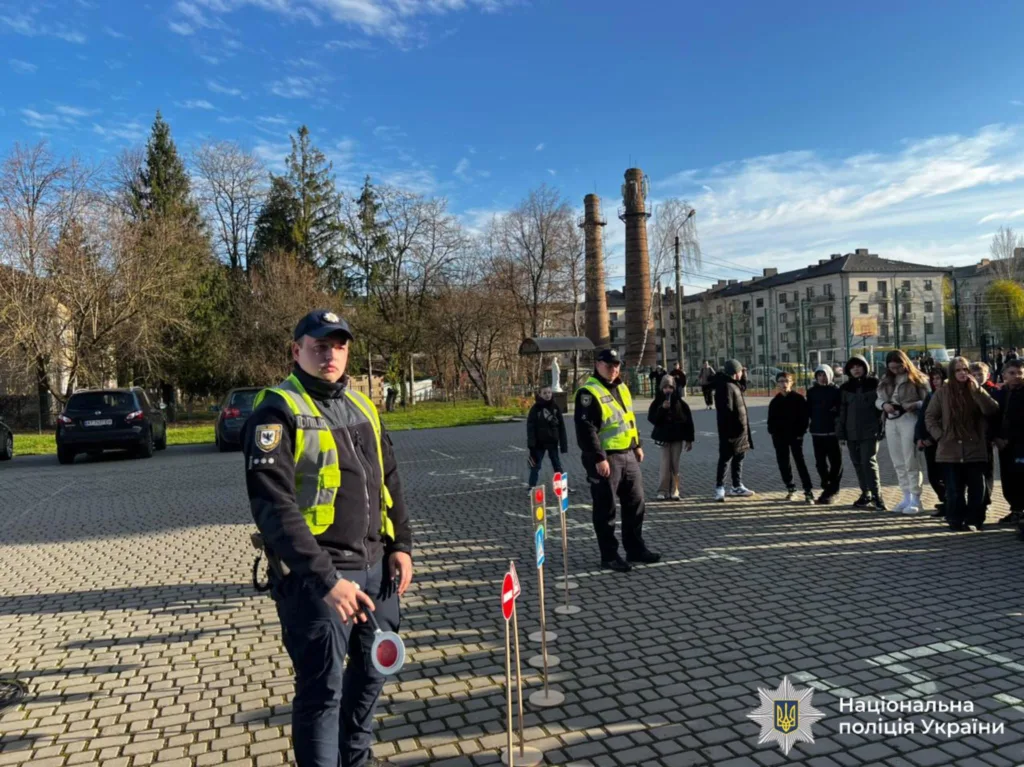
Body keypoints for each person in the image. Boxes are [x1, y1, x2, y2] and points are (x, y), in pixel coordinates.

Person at [243, 309, 412, 767]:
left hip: (377, 570)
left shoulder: (362, 405)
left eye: (338, 345)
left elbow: (389, 478)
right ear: (297, 351)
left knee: (375, 669)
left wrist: (402, 546)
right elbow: (273, 508)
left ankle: (354, 757)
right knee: (322, 693)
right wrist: (325, 579)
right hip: (319, 582)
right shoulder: (276, 410)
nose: (330, 354)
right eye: (319, 345)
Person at [575, 348, 659, 572]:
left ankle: (635, 549)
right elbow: (586, 430)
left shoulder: (622, 387)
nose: (613, 369)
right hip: (606, 458)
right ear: (598, 364)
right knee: (606, 509)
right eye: (609, 365)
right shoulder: (588, 392)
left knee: (636, 503)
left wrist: (637, 444)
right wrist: (598, 457)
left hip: (628, 454)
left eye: (617, 365)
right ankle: (609, 555)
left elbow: (629, 419)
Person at [925, 356, 999, 532]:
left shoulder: (976, 390)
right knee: (954, 489)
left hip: (974, 447)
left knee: (977, 489)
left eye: (965, 369)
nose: (962, 373)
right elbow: (930, 416)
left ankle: (974, 519)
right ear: (952, 372)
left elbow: (992, 409)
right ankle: (955, 519)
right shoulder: (942, 392)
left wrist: (978, 391)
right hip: (949, 448)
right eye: (958, 370)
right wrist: (939, 436)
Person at [876, 350, 929, 514]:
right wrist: (884, 405)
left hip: (909, 418)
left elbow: (929, 399)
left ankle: (915, 498)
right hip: (891, 420)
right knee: (897, 461)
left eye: (899, 367)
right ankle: (905, 495)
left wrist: (915, 405)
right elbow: (878, 399)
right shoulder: (885, 380)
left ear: (905, 363)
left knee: (910, 459)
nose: (896, 371)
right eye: (892, 368)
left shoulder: (917, 378)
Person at [837, 355, 886, 510]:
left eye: (859, 366)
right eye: (852, 367)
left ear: (865, 367)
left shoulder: (875, 384)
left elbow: (881, 409)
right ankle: (866, 494)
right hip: (851, 432)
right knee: (857, 463)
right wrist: (841, 433)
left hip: (870, 431)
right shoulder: (845, 388)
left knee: (868, 462)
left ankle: (877, 496)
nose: (856, 369)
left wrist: (881, 428)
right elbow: (841, 412)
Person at [767, 372, 814, 503]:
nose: (784, 384)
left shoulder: (798, 399)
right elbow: (771, 421)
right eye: (781, 381)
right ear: (777, 384)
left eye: (787, 381)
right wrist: (773, 433)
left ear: (792, 383)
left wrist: (800, 434)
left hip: (795, 437)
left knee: (800, 462)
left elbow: (804, 419)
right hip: (779, 437)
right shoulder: (775, 402)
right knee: (783, 463)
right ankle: (791, 488)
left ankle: (808, 491)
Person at [712, 359, 755, 501]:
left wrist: (744, 376)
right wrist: (730, 431)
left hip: (740, 431)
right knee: (725, 459)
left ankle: (737, 486)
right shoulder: (725, 387)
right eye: (741, 371)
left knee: (739, 457)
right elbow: (726, 411)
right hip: (731, 432)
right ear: (735, 372)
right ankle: (720, 488)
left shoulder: (733, 384)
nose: (743, 372)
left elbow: (742, 387)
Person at [648, 374, 694, 500]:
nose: (668, 390)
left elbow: (688, 422)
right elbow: (652, 418)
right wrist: (662, 409)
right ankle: (662, 490)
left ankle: (675, 489)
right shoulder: (657, 401)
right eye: (665, 387)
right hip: (663, 438)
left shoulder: (680, 403)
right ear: (661, 388)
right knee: (664, 464)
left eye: (670, 387)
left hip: (677, 438)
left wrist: (689, 440)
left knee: (675, 464)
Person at [992, 359, 1024, 528]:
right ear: (1004, 375)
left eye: (1020, 373)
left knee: (1021, 476)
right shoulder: (999, 393)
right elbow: (993, 417)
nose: (1017, 376)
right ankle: (1016, 509)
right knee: (1008, 478)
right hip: (1003, 445)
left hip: (1020, 444)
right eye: (1012, 373)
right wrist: (996, 437)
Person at [806, 363, 843, 504]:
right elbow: (808, 411)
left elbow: (840, 410)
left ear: (830, 375)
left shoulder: (836, 391)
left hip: (833, 434)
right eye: (819, 375)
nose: (821, 378)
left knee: (836, 463)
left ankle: (833, 490)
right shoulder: (812, 392)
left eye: (824, 375)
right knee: (820, 464)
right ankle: (826, 486)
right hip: (817, 433)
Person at [914, 366, 948, 519]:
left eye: (938, 378)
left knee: (946, 476)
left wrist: (931, 439)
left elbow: (943, 421)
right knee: (933, 476)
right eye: (933, 379)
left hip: (943, 442)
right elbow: (923, 418)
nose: (936, 382)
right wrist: (919, 437)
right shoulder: (930, 395)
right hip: (928, 443)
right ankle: (944, 500)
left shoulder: (949, 396)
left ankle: (950, 503)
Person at [971, 361, 1000, 514]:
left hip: (987, 436)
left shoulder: (993, 391)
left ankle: (986, 499)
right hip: (971, 436)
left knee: (987, 471)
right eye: (973, 375)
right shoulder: (967, 390)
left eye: (980, 375)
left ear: (987, 375)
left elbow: (995, 414)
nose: (977, 378)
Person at [526, 385, 568, 488]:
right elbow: (530, 427)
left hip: (552, 442)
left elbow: (561, 426)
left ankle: (562, 487)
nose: (547, 395)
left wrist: (563, 444)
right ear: (540, 394)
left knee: (557, 465)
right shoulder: (535, 409)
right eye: (544, 393)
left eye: (549, 392)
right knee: (536, 465)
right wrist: (531, 444)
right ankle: (531, 487)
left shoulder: (555, 407)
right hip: (539, 443)